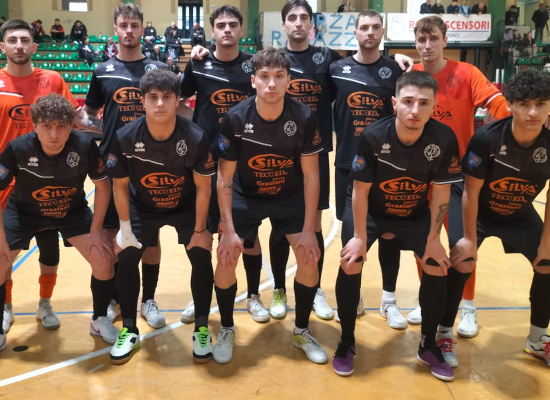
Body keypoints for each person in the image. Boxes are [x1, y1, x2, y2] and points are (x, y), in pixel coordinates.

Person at [378, 15, 510, 336]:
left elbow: (500, 108)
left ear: (445, 41)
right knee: (425, 241)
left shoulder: (467, 73)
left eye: (433, 39)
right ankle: (428, 300)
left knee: (462, 243)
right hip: (420, 176)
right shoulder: (411, 75)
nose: (427, 46)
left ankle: (468, 307)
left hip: (458, 178)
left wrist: (516, 132)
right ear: (416, 43)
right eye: (421, 40)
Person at [334, 71, 462, 380]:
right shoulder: (373, 136)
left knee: (436, 264)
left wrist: (434, 239)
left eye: (424, 103)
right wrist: (359, 237)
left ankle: (427, 345)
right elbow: (360, 190)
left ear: (434, 106)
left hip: (413, 210)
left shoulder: (444, 138)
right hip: (370, 208)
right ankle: (346, 341)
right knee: (351, 261)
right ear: (394, 103)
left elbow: (441, 193)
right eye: (408, 101)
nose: (415, 110)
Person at [214, 47, 325, 365]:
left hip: (288, 196)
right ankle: (227, 329)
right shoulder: (236, 118)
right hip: (245, 195)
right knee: (226, 257)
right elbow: (224, 178)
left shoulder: (304, 117)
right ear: (253, 81)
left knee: (309, 256)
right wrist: (227, 230)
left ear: (289, 80)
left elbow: (311, 176)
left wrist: (309, 230)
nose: (271, 83)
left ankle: (301, 331)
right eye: (264, 76)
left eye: (279, 76)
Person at [0, 19, 102, 335]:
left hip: (52, 179)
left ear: (34, 45)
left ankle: (45, 304)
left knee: (49, 245)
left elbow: (77, 117)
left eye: (24, 40)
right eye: (12, 40)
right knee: (4, 252)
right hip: (8, 180)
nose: (19, 45)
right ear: (2, 46)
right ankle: (5, 307)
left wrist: (113, 132)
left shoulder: (52, 79)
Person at [107, 69, 215, 365]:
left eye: (167, 97)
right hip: (142, 205)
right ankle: (129, 329)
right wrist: (125, 229)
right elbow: (119, 186)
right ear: (142, 100)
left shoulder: (194, 136)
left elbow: (204, 187)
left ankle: (202, 328)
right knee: (128, 254)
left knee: (201, 253)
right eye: (152, 97)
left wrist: (200, 230)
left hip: (185, 204)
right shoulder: (125, 136)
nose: (159, 103)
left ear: (178, 100)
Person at [446, 70, 550, 370]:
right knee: (462, 262)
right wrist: (469, 239)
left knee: (547, 264)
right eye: (524, 104)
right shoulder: (487, 138)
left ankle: (537, 339)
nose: (533, 113)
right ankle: (441, 334)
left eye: (541, 104)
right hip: (475, 207)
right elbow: (471, 191)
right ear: (510, 105)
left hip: (517, 211)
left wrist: (546, 244)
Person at [0, 94, 118, 352]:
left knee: (103, 258)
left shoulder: (85, 146)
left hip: (71, 211)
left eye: (61, 126)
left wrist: (96, 231)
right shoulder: (18, 148)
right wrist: (0, 238)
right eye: (47, 126)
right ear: (35, 126)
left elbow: (103, 186)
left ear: (71, 126)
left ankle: (99, 319)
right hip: (24, 212)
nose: (54, 134)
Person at [83, 4, 169, 330]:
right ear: (115, 29)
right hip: (111, 166)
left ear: (143, 28)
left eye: (134, 24)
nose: (129, 30)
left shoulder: (159, 69)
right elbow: (89, 115)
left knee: (151, 238)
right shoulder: (102, 71)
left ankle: (148, 299)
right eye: (124, 25)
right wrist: (104, 133)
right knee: (112, 235)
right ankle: (116, 299)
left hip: (150, 165)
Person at [179, 5, 257, 323]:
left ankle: (253, 295)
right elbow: (178, 102)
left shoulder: (253, 66)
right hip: (205, 163)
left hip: (245, 164)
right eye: (221, 25)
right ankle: (200, 295)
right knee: (203, 232)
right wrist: (195, 129)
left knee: (247, 234)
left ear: (241, 30)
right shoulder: (198, 64)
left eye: (233, 24)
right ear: (212, 31)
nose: (227, 29)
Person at [330, 9, 405, 327]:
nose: (370, 32)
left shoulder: (395, 70)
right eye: (364, 27)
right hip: (347, 163)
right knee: (351, 234)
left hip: (386, 165)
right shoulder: (336, 69)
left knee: (390, 234)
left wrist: (402, 58)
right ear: (355, 32)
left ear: (382, 31)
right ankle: (354, 296)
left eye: (375, 27)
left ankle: (389, 300)